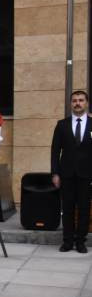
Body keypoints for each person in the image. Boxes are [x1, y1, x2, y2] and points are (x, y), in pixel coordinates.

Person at [51, 90, 92, 253]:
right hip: (66, 174)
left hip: (87, 174)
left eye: (81, 100)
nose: (77, 103)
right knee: (67, 208)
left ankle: (80, 241)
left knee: (84, 208)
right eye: (74, 100)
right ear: (70, 104)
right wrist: (55, 173)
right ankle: (67, 241)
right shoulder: (62, 125)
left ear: (86, 103)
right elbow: (55, 151)